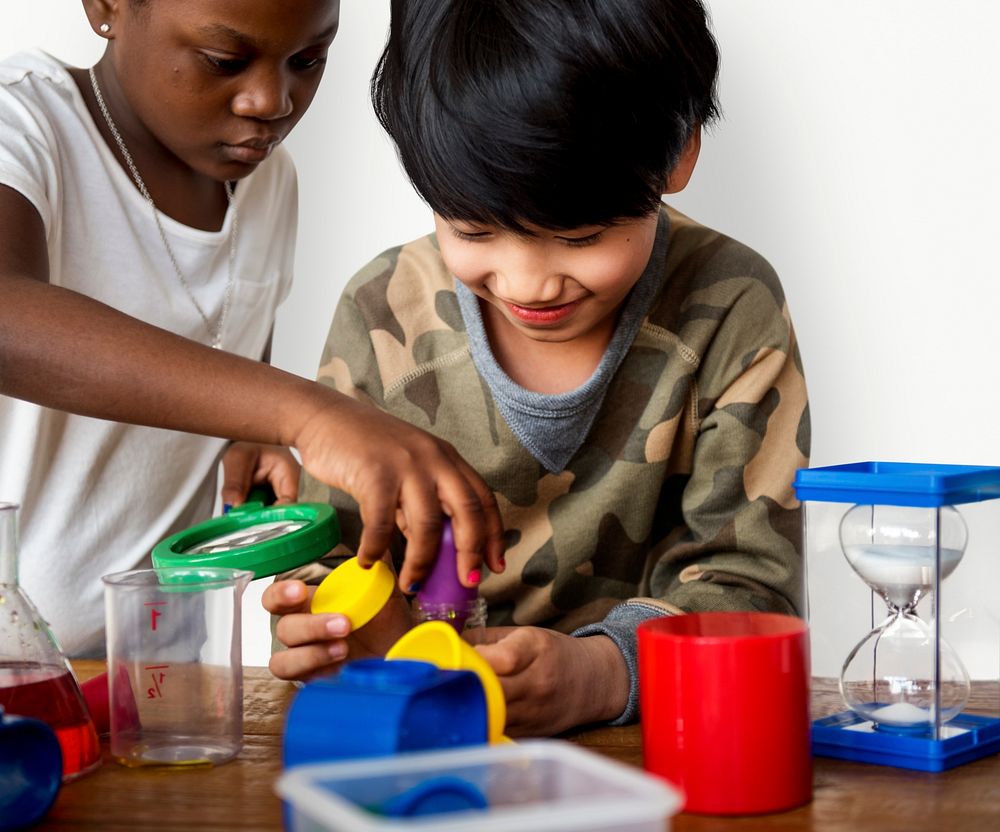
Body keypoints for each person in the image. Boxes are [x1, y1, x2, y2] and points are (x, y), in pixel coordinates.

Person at [265, 0, 809, 736]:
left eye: (578, 236)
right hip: (423, 751)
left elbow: (753, 589)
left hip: (649, 762)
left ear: (679, 152)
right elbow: (325, 551)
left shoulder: (730, 306)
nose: (526, 285)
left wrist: (602, 673)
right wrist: (321, 628)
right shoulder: (380, 312)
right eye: (473, 229)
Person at [0, 0, 503, 658]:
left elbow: (221, 365)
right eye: (224, 61)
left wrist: (247, 435)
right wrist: (305, 414)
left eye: (308, 61)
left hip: (151, 674)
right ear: (107, 6)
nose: (272, 102)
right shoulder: (25, 125)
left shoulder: (268, 183)